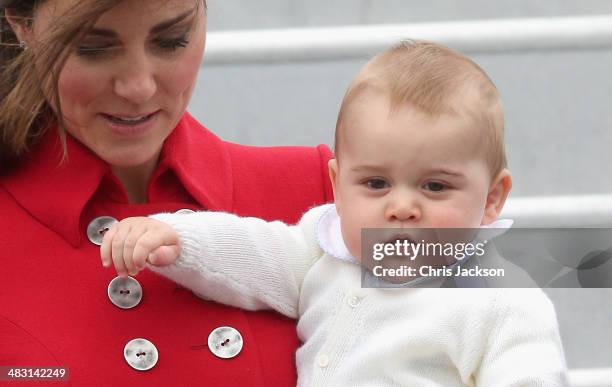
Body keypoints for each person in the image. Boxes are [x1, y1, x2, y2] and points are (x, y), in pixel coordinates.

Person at [102, 41, 569, 385]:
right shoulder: (324, 251)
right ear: (337, 186)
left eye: (434, 186)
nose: (402, 207)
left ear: (492, 198)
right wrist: (176, 238)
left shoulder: (500, 297)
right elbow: (256, 252)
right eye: (375, 184)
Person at [0, 0, 333, 385]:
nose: (138, 87)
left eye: (172, 41)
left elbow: (420, 331)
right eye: (92, 48)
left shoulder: (339, 191)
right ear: (22, 24)